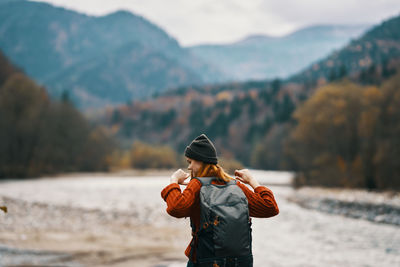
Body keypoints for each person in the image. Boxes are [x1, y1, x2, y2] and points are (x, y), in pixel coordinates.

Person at [161, 134, 279, 267]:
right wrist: (252, 181)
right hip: (239, 262)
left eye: (190, 162)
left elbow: (176, 208)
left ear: (201, 161)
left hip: (206, 261)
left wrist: (173, 182)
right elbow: (270, 208)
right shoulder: (236, 186)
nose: (189, 167)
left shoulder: (196, 186)